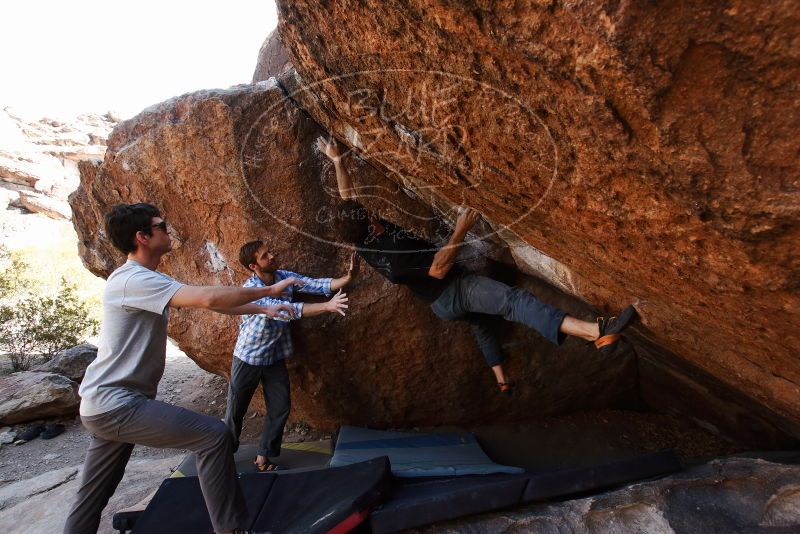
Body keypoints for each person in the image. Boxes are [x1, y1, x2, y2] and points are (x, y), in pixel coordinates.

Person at [316, 136, 637, 395]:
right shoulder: (392, 255)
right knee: (513, 302)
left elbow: (348, 196)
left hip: (443, 305)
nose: (366, 209)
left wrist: (337, 160)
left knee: (483, 325)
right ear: (370, 225)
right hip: (452, 289)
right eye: (366, 213)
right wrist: (461, 228)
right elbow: (439, 269)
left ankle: (501, 379)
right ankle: (596, 333)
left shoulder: (362, 238)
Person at [64, 203, 299, 534]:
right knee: (213, 435)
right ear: (142, 237)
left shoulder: (144, 278)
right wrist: (268, 290)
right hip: (117, 404)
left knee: (93, 494)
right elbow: (206, 297)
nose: (169, 228)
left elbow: (216, 304)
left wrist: (263, 308)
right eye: (161, 225)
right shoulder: (133, 280)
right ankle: (232, 529)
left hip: (105, 404)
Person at [224, 239, 356, 472]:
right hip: (249, 358)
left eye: (270, 252)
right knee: (236, 410)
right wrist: (328, 306)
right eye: (265, 256)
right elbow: (288, 311)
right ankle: (223, 454)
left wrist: (345, 279)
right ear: (254, 266)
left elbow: (313, 284)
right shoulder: (250, 291)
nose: (272, 256)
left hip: (274, 356)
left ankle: (264, 455)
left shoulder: (283, 276)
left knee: (280, 406)